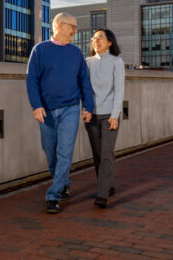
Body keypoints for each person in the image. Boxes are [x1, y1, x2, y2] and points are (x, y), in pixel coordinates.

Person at [26, 13, 95, 214]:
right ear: (58, 26)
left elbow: (84, 82)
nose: (75, 31)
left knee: (65, 152)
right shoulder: (40, 50)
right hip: (45, 111)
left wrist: (88, 107)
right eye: (72, 26)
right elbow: (31, 80)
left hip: (70, 109)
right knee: (50, 151)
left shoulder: (76, 53)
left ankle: (53, 196)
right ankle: (63, 181)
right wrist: (36, 106)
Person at [84, 28, 125, 209]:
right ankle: (107, 185)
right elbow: (84, 90)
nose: (96, 40)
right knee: (98, 155)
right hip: (92, 115)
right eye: (94, 38)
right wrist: (86, 109)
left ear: (110, 42)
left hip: (109, 115)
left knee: (107, 154)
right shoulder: (87, 63)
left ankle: (101, 195)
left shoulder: (117, 62)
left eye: (101, 37)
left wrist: (115, 115)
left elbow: (119, 91)